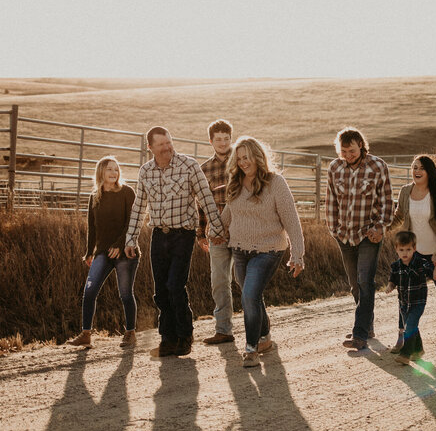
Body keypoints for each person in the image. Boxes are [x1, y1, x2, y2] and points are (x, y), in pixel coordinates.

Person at [125, 126, 225, 358]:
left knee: (175, 286)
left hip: (183, 234)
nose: (167, 147)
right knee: (160, 291)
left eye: (169, 142)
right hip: (158, 235)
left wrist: (216, 228)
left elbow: (206, 198)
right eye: (161, 144)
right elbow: (139, 208)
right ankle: (167, 339)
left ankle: (185, 335)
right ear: (150, 147)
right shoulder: (146, 172)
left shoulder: (188, 165)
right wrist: (130, 238)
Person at [218, 136, 306, 367]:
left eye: (246, 157)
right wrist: (213, 229)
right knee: (251, 295)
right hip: (239, 249)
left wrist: (297, 255)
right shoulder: (236, 184)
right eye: (239, 159)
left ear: (257, 157)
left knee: (248, 296)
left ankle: (251, 348)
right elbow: (229, 213)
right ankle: (265, 337)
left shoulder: (275, 183)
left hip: (268, 250)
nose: (243, 163)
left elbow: (292, 222)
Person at [325, 127, 393, 351]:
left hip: (368, 233)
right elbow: (331, 200)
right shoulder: (335, 168)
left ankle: (360, 334)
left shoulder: (377, 166)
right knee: (355, 284)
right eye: (343, 151)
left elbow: (386, 200)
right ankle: (367, 325)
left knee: (365, 281)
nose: (348, 156)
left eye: (352, 151)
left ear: (361, 146)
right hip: (344, 234)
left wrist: (381, 227)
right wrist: (334, 229)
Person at [388, 154, 436, 351]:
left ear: (429, 172)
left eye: (421, 168)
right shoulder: (405, 192)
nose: (416, 171)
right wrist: (382, 229)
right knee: (405, 297)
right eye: (413, 167)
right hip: (412, 255)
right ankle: (402, 337)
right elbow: (398, 216)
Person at [67, 156, 139, 348]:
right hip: (103, 252)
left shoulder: (127, 192)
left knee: (125, 294)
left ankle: (130, 333)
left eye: (116, 169)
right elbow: (92, 227)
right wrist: (89, 252)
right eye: (109, 169)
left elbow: (132, 222)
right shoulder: (95, 196)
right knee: (89, 292)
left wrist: (119, 244)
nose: (114, 173)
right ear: (101, 172)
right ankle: (86, 334)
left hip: (125, 251)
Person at [199, 119, 237, 346]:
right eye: (218, 139)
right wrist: (200, 233)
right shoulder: (205, 169)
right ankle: (223, 329)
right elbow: (201, 202)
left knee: (246, 281)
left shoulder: (241, 161)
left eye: (226, 139)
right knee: (219, 281)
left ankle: (262, 327)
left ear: (231, 139)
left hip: (243, 229)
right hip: (216, 232)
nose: (222, 143)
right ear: (211, 141)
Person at [387, 230, 436, 365]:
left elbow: (433, 273)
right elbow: (393, 280)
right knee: (412, 327)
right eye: (401, 249)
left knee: (409, 327)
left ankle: (406, 354)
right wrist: (390, 286)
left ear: (414, 248)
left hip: (418, 302)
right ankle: (418, 350)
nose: (405, 253)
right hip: (403, 303)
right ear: (396, 249)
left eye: (408, 249)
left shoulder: (421, 263)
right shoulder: (395, 266)